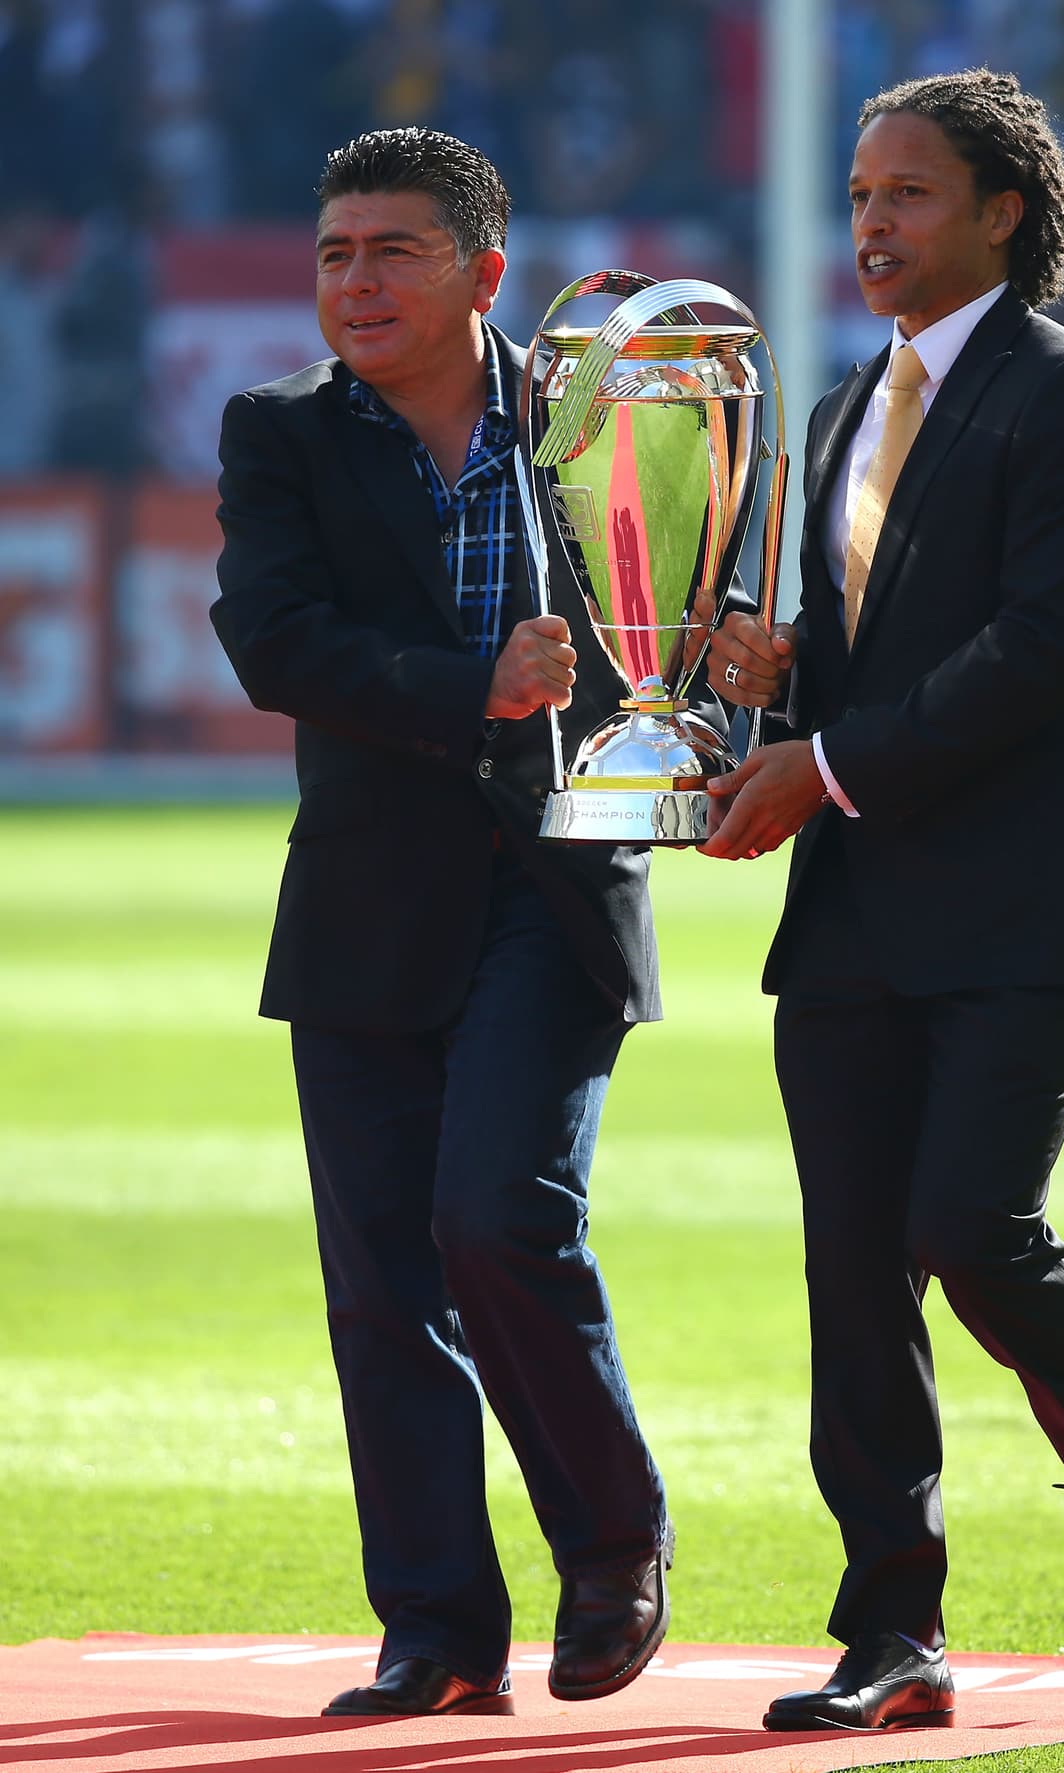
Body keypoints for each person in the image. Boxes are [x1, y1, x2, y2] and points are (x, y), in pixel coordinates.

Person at [702, 69, 1064, 1733]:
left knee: (963, 1223)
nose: (871, 224)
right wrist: (766, 696)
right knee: (857, 1274)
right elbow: (848, 669)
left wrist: (820, 761)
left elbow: (1042, 659)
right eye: (857, 196)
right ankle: (892, 1630)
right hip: (855, 909)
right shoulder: (840, 410)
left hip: (1025, 898)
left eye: (908, 193)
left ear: (1001, 211)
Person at [210, 127, 712, 1719]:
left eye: (393, 251)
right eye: (335, 253)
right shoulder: (277, 430)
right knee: (380, 1283)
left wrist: (724, 700)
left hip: (555, 886)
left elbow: (673, 612)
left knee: (499, 1214)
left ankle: (615, 1542)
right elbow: (273, 639)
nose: (354, 282)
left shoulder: (602, 420)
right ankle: (435, 1630)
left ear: (485, 273)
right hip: (364, 901)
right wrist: (468, 688)